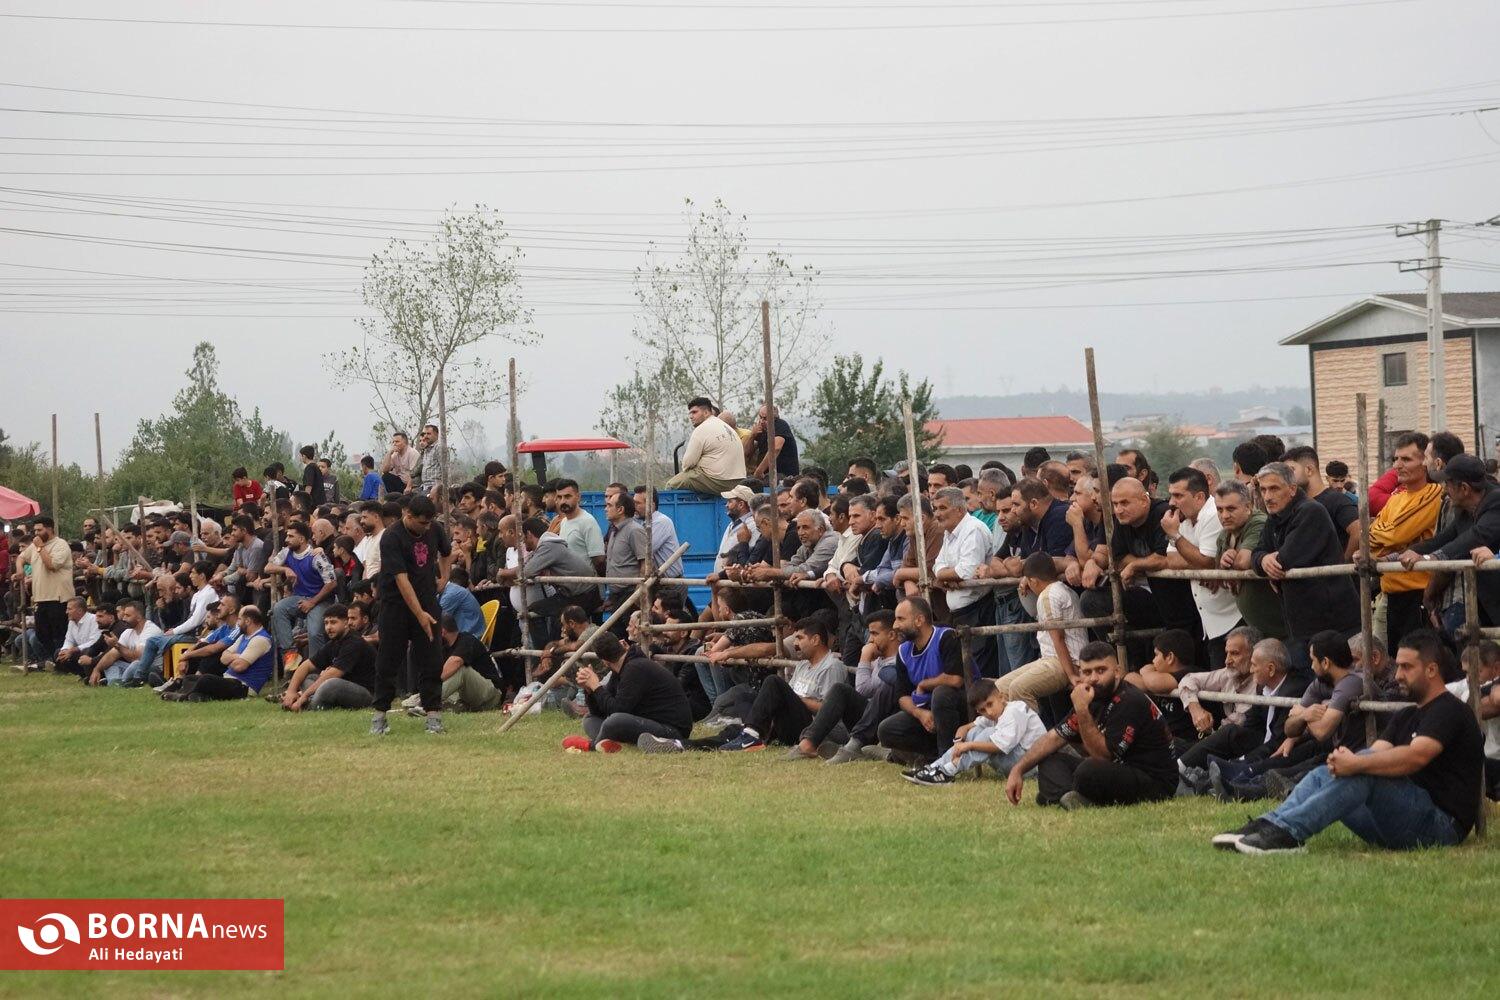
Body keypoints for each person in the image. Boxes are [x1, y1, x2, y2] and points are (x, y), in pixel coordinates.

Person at [1219, 630, 1483, 854]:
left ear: (1432, 669)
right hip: (1400, 818)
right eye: (1399, 666)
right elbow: (1376, 752)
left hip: (1441, 826)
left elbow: (1416, 757)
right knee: (1322, 773)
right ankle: (1269, 825)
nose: (1398, 675)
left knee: (1362, 774)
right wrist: (1346, 762)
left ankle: (1287, 834)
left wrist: (1356, 764)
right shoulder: (1407, 715)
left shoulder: (1449, 710)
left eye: (1407, 667)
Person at [1004, 641, 1176, 808]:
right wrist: (1017, 770)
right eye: (1087, 672)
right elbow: (1054, 737)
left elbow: (1103, 757)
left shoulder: (1129, 700)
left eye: (1101, 670)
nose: (1093, 678)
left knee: (1088, 770)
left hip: (1154, 781)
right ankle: (1068, 797)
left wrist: (1082, 709)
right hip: (1118, 770)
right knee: (1049, 759)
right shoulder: (1093, 695)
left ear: (1117, 672)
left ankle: (1058, 792)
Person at [1251, 462, 1360, 678]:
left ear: (1292, 489)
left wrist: (1270, 561)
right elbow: (1256, 555)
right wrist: (1263, 560)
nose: (1267, 496)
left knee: (1339, 685)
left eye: (1274, 488)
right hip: (1303, 625)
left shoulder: (1311, 511)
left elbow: (1286, 559)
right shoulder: (1275, 518)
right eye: (1263, 490)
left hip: (1333, 624)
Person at [1178, 637, 1307, 791]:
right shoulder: (1262, 686)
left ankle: (1201, 777)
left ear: (1271, 669)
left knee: (1232, 744)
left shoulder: (1294, 690)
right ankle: (1181, 770)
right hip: (1261, 745)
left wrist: (1241, 761)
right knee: (1231, 733)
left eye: (1254, 665)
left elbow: (1277, 742)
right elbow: (1251, 726)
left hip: (1281, 752)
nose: (1251, 670)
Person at [370, 496, 453, 736]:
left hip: (428, 601)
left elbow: (446, 552)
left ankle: (433, 715)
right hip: (395, 605)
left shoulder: (434, 529)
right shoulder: (392, 537)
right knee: (388, 659)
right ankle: (380, 716)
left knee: (431, 659)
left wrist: (444, 577)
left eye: (429, 523)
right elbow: (401, 579)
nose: (426, 528)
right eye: (422, 523)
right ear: (408, 516)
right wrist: (419, 615)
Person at [705, 616, 848, 752]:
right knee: (743, 699)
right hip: (792, 723)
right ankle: (748, 734)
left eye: (799, 638)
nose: (795, 643)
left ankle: (752, 735)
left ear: (815, 640)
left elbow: (828, 708)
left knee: (773, 681)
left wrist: (795, 699)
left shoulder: (831, 666)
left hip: (815, 729)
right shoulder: (803, 665)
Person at [1368, 433, 1443, 654]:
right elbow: (1370, 537)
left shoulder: (1433, 494)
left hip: (1418, 595)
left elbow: (1396, 535)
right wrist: (1382, 539)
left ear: (1425, 462)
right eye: (1396, 459)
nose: (1397, 466)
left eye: (1406, 459)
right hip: (1391, 595)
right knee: (1393, 663)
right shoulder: (1396, 498)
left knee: (1417, 662)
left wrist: (1382, 539)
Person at [561, 631, 693, 752]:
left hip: (671, 730)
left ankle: (593, 746)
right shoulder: (621, 669)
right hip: (650, 722)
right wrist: (589, 690)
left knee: (614, 721)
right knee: (590, 719)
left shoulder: (635, 668)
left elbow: (618, 710)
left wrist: (596, 686)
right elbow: (600, 712)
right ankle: (609, 743)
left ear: (604, 661)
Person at [1163, 467, 1241, 666]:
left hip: (1234, 617)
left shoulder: (1213, 514)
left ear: (1199, 497)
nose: (1172, 502)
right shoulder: (1182, 519)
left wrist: (1175, 536)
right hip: (1212, 621)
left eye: (1178, 495)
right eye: (1171, 495)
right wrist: (1198, 560)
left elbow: (1206, 561)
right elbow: (1171, 560)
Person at [904, 679, 1046, 786]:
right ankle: (936, 767)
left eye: (990, 704)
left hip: (1032, 766)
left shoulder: (1014, 711)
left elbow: (999, 746)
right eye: (983, 710)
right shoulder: (994, 714)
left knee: (988, 734)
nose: (989, 712)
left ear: (1002, 697)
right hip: (1020, 762)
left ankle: (948, 771)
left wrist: (968, 745)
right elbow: (964, 728)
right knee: (974, 731)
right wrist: (959, 742)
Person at [876, 597, 968, 764]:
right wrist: (920, 714)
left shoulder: (946, 636)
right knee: (886, 730)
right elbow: (902, 696)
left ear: (919, 620)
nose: (895, 625)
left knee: (941, 694)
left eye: (901, 619)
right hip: (928, 712)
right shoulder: (903, 651)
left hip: (960, 708)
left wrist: (924, 684)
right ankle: (931, 757)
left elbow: (956, 680)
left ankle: (946, 761)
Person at [994, 552, 1087, 713]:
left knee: (1018, 688)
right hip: (1052, 660)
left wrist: (1071, 674)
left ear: (1033, 581)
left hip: (1065, 662)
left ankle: (1033, 729)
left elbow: (1058, 639)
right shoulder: (1061, 589)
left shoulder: (1047, 596)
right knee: (999, 688)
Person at [931, 486, 996, 678]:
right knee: (965, 670)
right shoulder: (949, 532)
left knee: (979, 672)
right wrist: (947, 575)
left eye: (942, 508)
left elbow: (966, 571)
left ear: (959, 509)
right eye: (935, 508)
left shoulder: (972, 529)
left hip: (978, 610)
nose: (937, 514)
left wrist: (945, 576)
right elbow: (937, 567)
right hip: (960, 614)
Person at [1213, 480, 1287, 640]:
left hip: (1284, 629)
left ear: (1248, 507)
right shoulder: (1224, 534)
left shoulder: (1259, 523)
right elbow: (1219, 577)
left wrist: (1230, 563)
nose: (1224, 515)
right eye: (1219, 509)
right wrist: (1226, 565)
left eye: (1231, 509)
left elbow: (1244, 562)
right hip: (1258, 628)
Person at [163, 606, 276, 702]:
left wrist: (233, 659)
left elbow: (239, 666)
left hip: (244, 687)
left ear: (248, 621)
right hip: (229, 680)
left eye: (240, 619)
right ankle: (198, 696)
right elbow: (223, 658)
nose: (238, 623)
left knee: (206, 679)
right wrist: (237, 657)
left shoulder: (260, 639)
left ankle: (184, 696)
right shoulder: (243, 636)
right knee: (191, 678)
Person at [281, 604, 378, 711]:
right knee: (309, 678)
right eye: (326, 623)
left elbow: (333, 674)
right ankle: (303, 700)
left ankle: (308, 704)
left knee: (330, 684)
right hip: (341, 686)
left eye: (333, 622)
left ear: (346, 623)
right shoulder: (333, 643)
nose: (328, 627)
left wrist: (304, 696)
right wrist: (291, 691)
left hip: (367, 693)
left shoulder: (354, 642)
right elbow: (306, 666)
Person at [267, 522, 337, 663]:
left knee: (314, 632)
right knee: (279, 609)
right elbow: (268, 567)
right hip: (299, 598)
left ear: (302, 539)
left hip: (320, 600)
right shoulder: (286, 552)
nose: (287, 539)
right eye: (287, 535)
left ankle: (315, 667)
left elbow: (332, 583)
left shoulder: (317, 556)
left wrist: (312, 602)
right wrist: (285, 569)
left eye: (291, 536)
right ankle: (291, 657)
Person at [1284, 446, 1359, 556]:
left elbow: (1358, 531)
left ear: (1309, 470)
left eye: (1291, 471)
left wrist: (1344, 562)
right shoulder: (1295, 504)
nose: (1286, 478)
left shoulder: (1336, 500)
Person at [17, 516, 72, 666]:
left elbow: (51, 565)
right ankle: (54, 660)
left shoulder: (61, 545)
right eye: (35, 530)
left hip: (58, 597)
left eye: (39, 530)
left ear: (50, 529)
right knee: (41, 633)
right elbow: (21, 558)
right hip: (40, 597)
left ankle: (63, 662)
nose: (36, 533)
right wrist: (20, 570)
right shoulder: (34, 546)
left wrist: (41, 547)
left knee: (59, 633)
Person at [666, 397, 748, 495]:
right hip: (738, 481)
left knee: (672, 484)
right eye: (690, 413)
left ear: (706, 412)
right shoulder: (726, 426)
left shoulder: (701, 429)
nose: (691, 416)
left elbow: (687, 464)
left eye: (694, 412)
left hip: (719, 482)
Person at [432, 614, 504, 713]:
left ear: (442, 631)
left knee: (461, 670)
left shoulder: (467, 640)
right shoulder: (445, 648)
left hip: (492, 695)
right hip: (470, 697)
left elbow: (456, 662)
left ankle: (427, 701)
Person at [90, 601, 163, 687]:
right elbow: (111, 656)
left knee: (136, 664)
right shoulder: (128, 632)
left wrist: (117, 645)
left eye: (127, 616)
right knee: (110, 663)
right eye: (124, 615)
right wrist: (96, 669)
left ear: (139, 617)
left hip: (153, 669)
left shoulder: (151, 630)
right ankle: (116, 682)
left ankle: (120, 682)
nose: (123, 618)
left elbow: (138, 657)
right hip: (134, 668)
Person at [602, 491, 650, 613]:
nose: (605, 509)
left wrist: (638, 593)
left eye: (609, 505)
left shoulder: (634, 530)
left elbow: (646, 563)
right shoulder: (614, 530)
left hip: (630, 592)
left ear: (620, 510)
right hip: (616, 594)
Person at [549, 479, 605, 573]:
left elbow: (599, 560)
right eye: (559, 497)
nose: (563, 501)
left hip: (586, 580)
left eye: (567, 496)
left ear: (578, 497)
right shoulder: (564, 522)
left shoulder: (587, 521)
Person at [747, 403, 800, 480]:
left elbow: (775, 448)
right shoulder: (762, 431)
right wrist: (752, 436)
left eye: (765, 418)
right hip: (766, 477)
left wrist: (759, 471)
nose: (761, 421)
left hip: (784, 477)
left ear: (774, 418)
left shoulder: (780, 425)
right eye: (760, 418)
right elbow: (748, 454)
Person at [52, 597, 100, 677]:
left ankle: (88, 674)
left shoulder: (94, 619)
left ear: (80, 610)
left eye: (69, 609)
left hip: (92, 652)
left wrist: (73, 650)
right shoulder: (71, 621)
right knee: (58, 653)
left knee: (88, 652)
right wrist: (65, 650)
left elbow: (94, 642)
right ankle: (80, 673)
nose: (66, 612)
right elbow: (69, 640)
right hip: (78, 651)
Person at [438, 566, 486, 640]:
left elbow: (436, 620)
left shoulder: (451, 593)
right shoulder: (446, 591)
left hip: (471, 639)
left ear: (438, 579)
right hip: (469, 635)